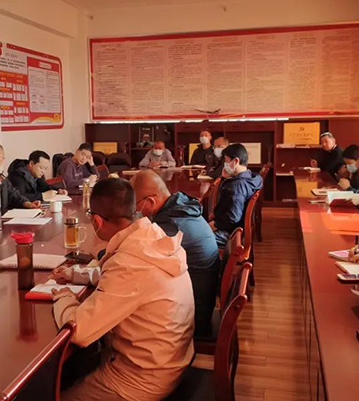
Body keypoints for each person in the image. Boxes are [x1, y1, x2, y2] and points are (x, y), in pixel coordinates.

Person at [51, 178, 194, 400]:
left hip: (142, 378)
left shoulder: (128, 264)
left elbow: (79, 331)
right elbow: (127, 282)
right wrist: (77, 274)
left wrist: (63, 297)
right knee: (73, 370)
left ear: (97, 221)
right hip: (171, 361)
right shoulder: (152, 236)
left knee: (54, 394)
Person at [129, 169, 220, 338]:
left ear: (150, 201)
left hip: (193, 316)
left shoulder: (170, 225)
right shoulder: (181, 208)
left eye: (135, 205)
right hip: (200, 301)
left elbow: (135, 255)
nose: (134, 212)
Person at [210, 143, 263, 246]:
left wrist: (215, 224)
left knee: (194, 237)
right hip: (237, 228)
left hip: (231, 234)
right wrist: (226, 178)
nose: (225, 164)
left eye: (226, 161)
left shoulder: (237, 186)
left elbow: (233, 217)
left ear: (235, 161)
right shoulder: (251, 177)